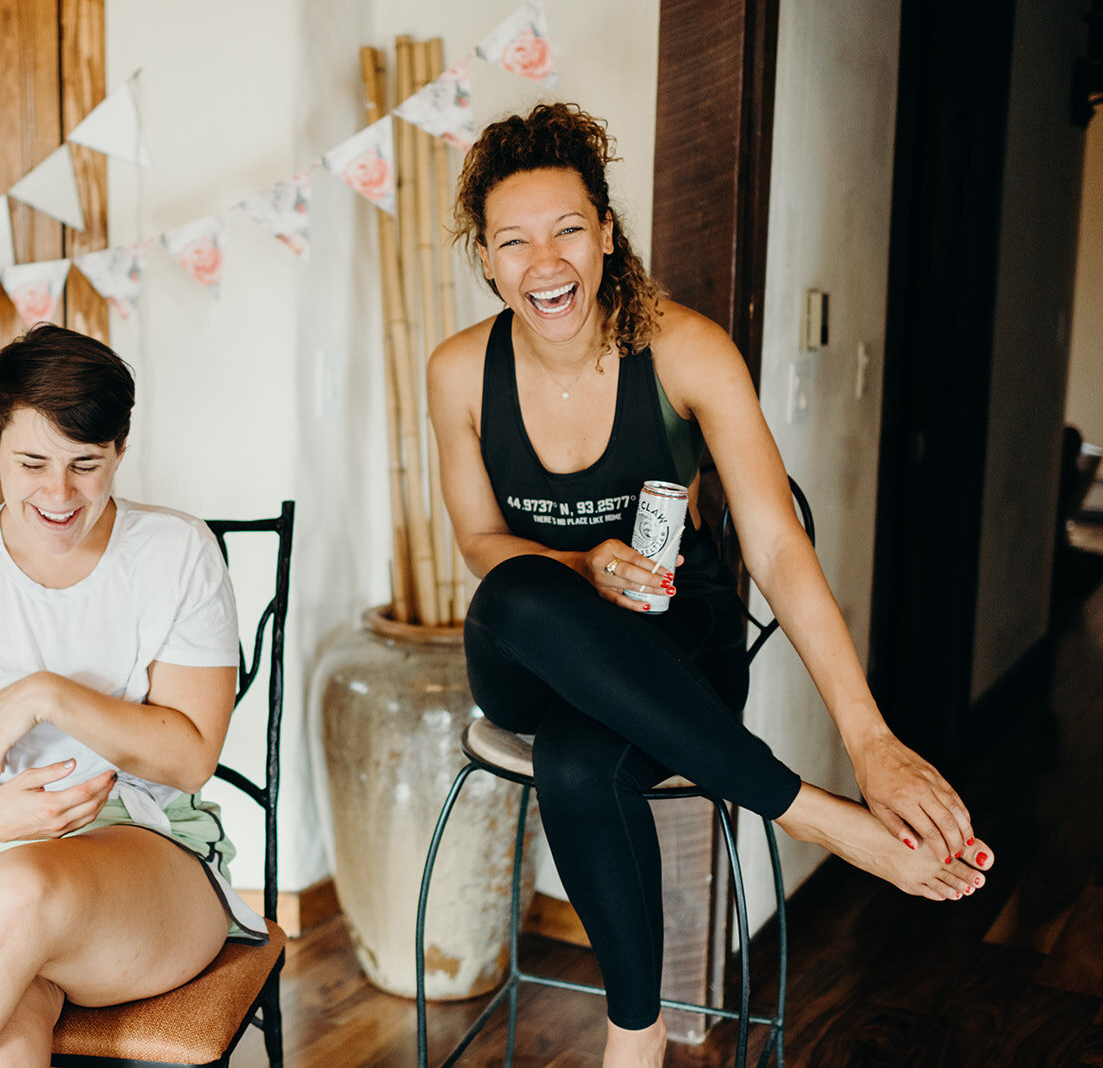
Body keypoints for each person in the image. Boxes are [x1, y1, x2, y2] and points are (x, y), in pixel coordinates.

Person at [425, 103, 994, 1068]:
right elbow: (481, 540)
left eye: (568, 228)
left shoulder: (686, 352)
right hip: (526, 650)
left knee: (577, 760)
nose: (546, 263)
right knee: (519, 592)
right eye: (514, 241)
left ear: (607, 230)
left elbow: (775, 549)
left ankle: (634, 1045)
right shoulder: (456, 371)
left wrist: (873, 739)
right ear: (485, 257)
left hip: (672, 642)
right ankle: (814, 816)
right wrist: (577, 563)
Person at [0, 324, 265, 1068]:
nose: (58, 493)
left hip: (146, 849)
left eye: (86, 464)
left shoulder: (176, 552)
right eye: (33, 462)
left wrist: (52, 695)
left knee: (20, 884)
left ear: (120, 449)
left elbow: (188, 760)